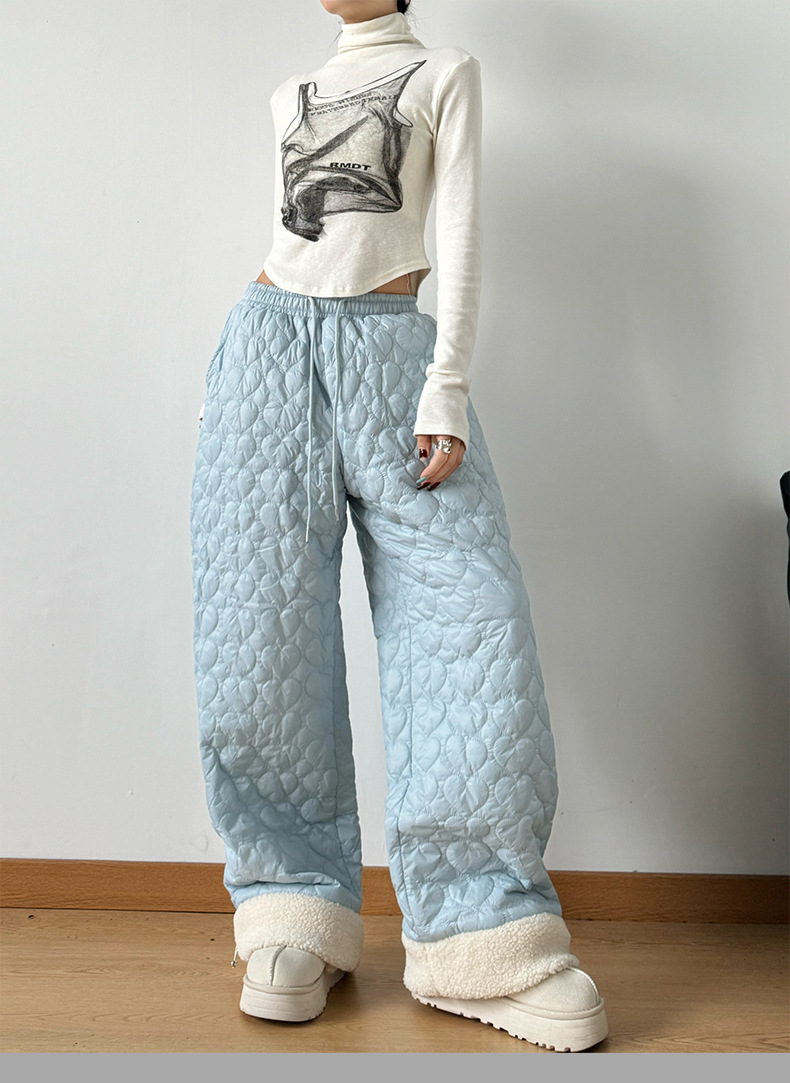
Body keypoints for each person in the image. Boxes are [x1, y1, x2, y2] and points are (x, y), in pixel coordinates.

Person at [189, 0, 608, 1053]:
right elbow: (297, 238)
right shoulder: (288, 94)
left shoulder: (444, 73)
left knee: (472, 620)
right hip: (265, 353)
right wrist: (237, 387)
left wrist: (446, 385)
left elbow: (455, 234)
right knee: (258, 637)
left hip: (394, 354)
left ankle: (482, 932)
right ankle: (290, 907)